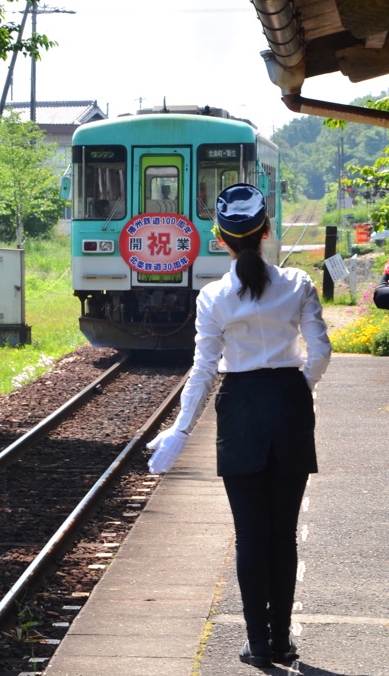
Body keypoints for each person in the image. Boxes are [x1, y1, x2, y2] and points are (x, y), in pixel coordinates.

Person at [146, 183, 331, 668]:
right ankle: (284, 638)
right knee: (283, 534)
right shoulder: (298, 283)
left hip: (240, 409)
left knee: (250, 534)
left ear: (220, 238)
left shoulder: (213, 297)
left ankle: (259, 643)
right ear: (266, 231)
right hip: (289, 403)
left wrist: (182, 430)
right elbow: (321, 351)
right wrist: (295, 388)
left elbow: (203, 369)